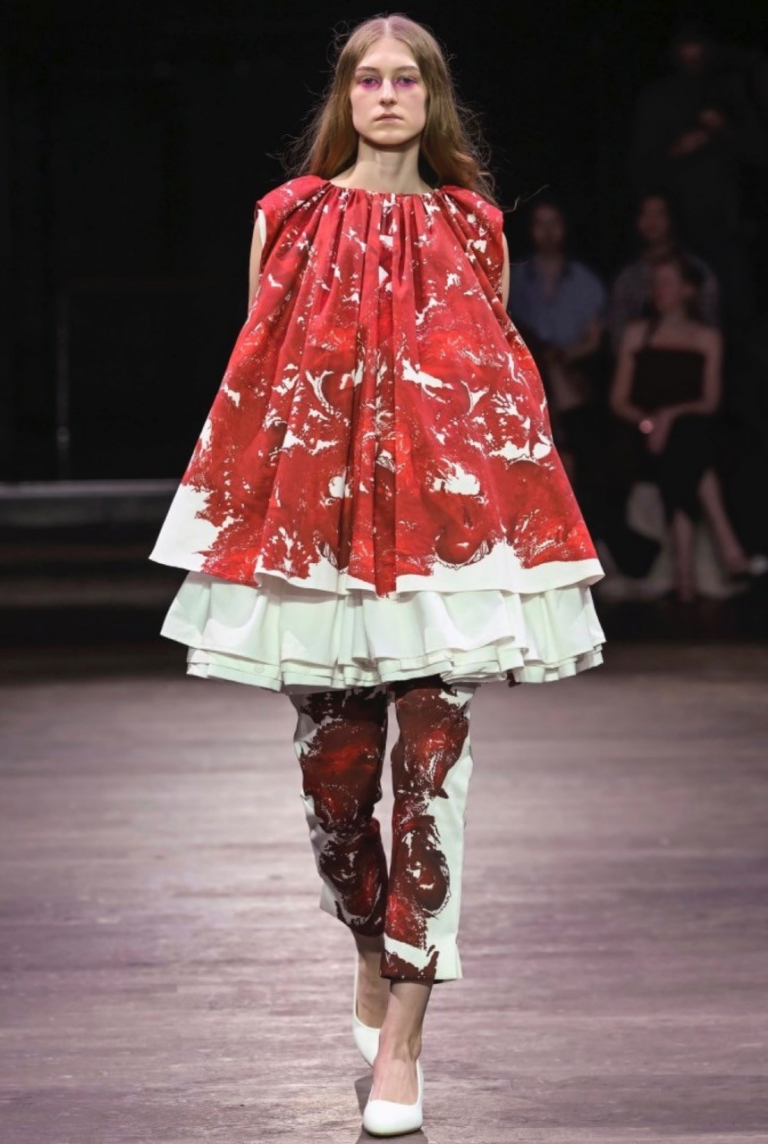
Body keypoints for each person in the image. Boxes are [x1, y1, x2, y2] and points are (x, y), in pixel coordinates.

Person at [148, 13, 606, 1135]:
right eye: (370, 79)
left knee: (433, 777)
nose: (389, 95)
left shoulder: (475, 226)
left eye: (408, 79)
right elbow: (260, 377)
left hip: (444, 545)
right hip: (324, 538)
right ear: (346, 95)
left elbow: (495, 388)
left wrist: (520, 529)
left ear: (433, 97)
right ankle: (369, 939)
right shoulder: (288, 217)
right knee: (337, 793)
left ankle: (404, 1034)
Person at [609, 251, 754, 603]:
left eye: (667, 283)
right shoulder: (637, 334)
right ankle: (727, 546)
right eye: (655, 284)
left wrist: (669, 417)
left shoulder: (707, 338)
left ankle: (685, 572)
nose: (658, 290)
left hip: (686, 432)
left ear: (688, 290)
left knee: (686, 438)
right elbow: (619, 400)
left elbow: (709, 401)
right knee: (688, 447)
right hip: (644, 434)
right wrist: (649, 422)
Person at [507, 195, 608, 484]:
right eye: (540, 224)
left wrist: (562, 356)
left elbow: (594, 340)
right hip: (522, 372)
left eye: (554, 223)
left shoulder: (585, 281)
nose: (548, 231)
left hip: (573, 369)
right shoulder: (514, 277)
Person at [608, 189, 720, 354]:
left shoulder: (696, 269)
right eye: (645, 214)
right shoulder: (628, 277)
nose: (651, 221)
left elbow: (710, 323)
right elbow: (618, 334)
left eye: (658, 214)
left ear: (671, 219)